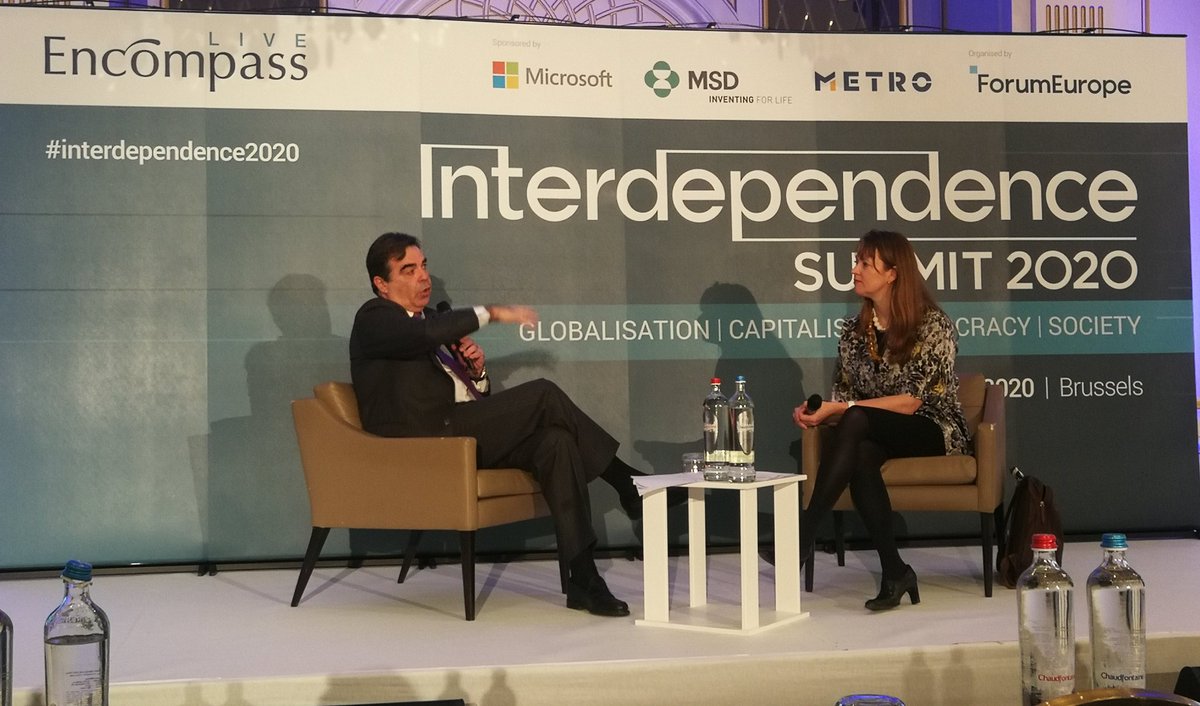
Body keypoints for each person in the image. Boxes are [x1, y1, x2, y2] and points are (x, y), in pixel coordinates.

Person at [349, 232, 647, 617]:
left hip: (459, 434)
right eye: (408, 270)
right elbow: (419, 337)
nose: (423, 277)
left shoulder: (429, 322)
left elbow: (471, 395)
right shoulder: (375, 318)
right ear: (382, 284)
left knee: (556, 442)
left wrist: (477, 373)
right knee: (543, 394)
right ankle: (626, 482)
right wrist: (491, 312)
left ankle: (584, 578)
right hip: (425, 444)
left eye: (423, 266)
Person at [793, 230, 969, 611]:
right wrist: (819, 411)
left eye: (865, 263)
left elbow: (910, 402)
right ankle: (895, 572)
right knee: (860, 454)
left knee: (856, 417)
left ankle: (804, 532)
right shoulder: (853, 334)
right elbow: (843, 396)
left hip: (932, 427)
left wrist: (842, 409)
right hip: (873, 429)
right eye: (856, 261)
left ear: (892, 273)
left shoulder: (933, 325)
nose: (854, 270)